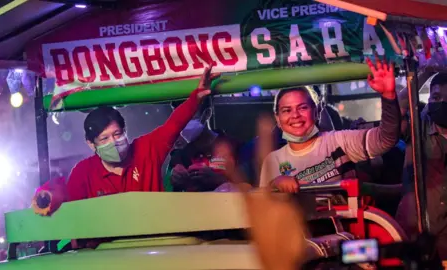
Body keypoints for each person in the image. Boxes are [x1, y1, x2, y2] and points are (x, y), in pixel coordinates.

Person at [35, 66, 214, 203]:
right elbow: (72, 217)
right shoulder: (83, 173)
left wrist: (197, 97)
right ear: (91, 144)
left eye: (117, 134)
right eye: (104, 139)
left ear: (125, 132)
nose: (113, 142)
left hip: (154, 242)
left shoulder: (147, 149)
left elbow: (174, 125)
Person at [259, 56, 400, 192]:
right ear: (277, 118)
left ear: (316, 112)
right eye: (286, 110)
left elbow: (384, 140)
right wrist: (274, 185)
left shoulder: (338, 141)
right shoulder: (272, 161)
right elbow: (264, 209)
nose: (295, 115)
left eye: (302, 108)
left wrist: (388, 96)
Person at [396, 72, 447, 259]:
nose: (441, 102)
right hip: (413, 231)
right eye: (435, 97)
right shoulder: (418, 127)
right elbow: (396, 108)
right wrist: (425, 72)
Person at [166, 100, 239, 191]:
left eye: (189, 115)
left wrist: (218, 180)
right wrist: (174, 180)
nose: (183, 122)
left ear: (207, 114)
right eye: (179, 117)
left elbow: (250, 187)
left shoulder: (234, 147)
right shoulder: (179, 157)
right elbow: (168, 194)